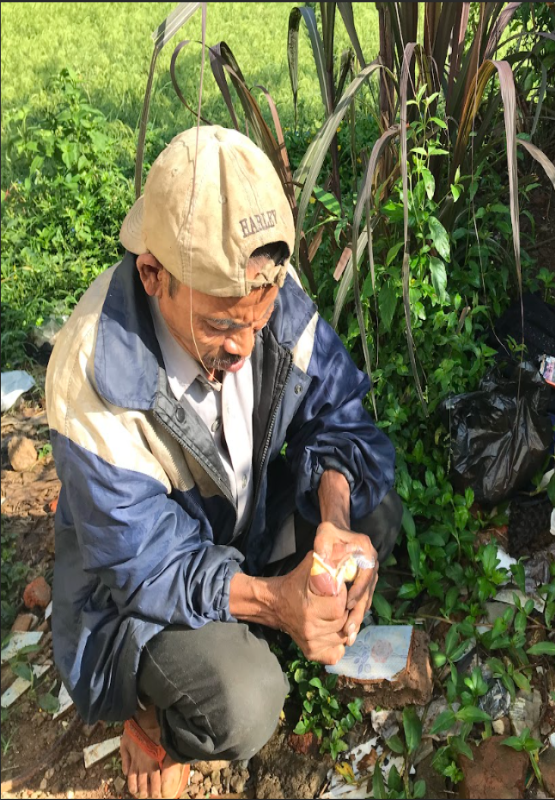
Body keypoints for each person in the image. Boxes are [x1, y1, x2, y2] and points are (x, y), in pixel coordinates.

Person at [45, 125, 401, 799]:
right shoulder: (94, 372)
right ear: (153, 274)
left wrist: (332, 521)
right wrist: (275, 601)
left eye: (257, 323)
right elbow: (148, 566)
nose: (241, 348)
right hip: (134, 592)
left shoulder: (267, 289)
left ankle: (280, 602)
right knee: (245, 702)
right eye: (218, 326)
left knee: (369, 512)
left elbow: (340, 412)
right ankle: (152, 716)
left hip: (241, 522)